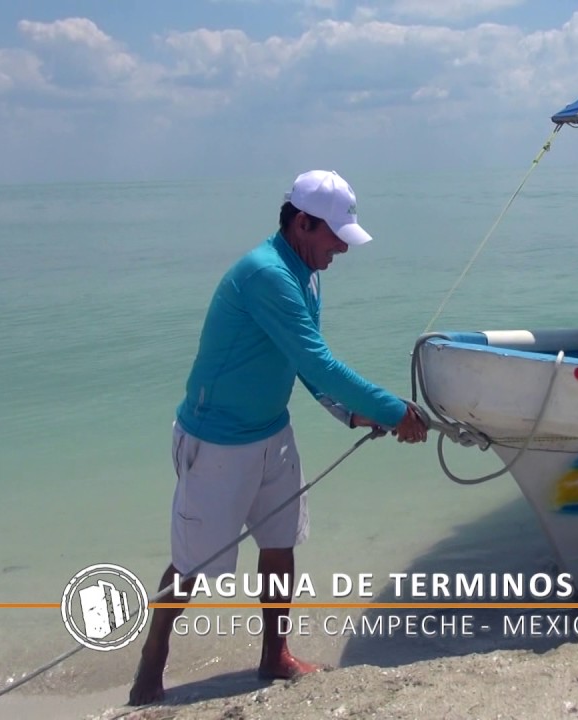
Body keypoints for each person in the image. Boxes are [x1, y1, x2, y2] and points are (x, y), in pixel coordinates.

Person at [128, 169, 429, 706]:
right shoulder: (266, 274)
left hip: (271, 429)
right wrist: (390, 408)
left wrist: (356, 417)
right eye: (332, 237)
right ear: (302, 222)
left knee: (280, 544)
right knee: (191, 562)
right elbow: (320, 360)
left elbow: (304, 363)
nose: (339, 249)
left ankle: (274, 654)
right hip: (218, 439)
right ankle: (150, 666)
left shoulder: (307, 271)